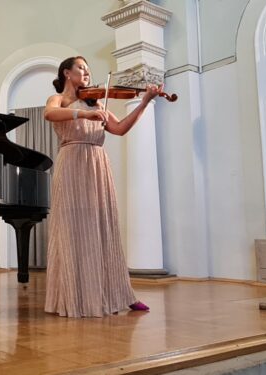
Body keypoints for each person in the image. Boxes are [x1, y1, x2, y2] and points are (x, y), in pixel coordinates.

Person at [43, 56, 159, 318]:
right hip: (71, 163)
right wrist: (84, 112)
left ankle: (120, 294)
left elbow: (119, 129)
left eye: (87, 69)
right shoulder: (58, 100)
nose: (86, 73)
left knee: (102, 227)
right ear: (66, 73)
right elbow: (49, 114)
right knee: (73, 228)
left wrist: (144, 102)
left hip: (97, 163)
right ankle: (75, 295)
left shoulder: (97, 102)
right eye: (81, 68)